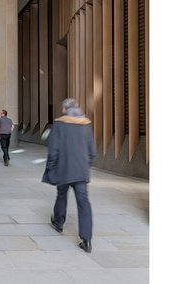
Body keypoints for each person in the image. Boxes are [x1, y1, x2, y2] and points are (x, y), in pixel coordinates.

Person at [42, 97, 98, 253]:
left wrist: (51, 168)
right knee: (84, 203)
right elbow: (92, 151)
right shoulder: (86, 124)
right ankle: (86, 239)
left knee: (61, 195)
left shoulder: (60, 124)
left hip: (64, 169)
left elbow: (53, 150)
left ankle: (59, 223)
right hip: (81, 171)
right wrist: (86, 165)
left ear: (65, 109)